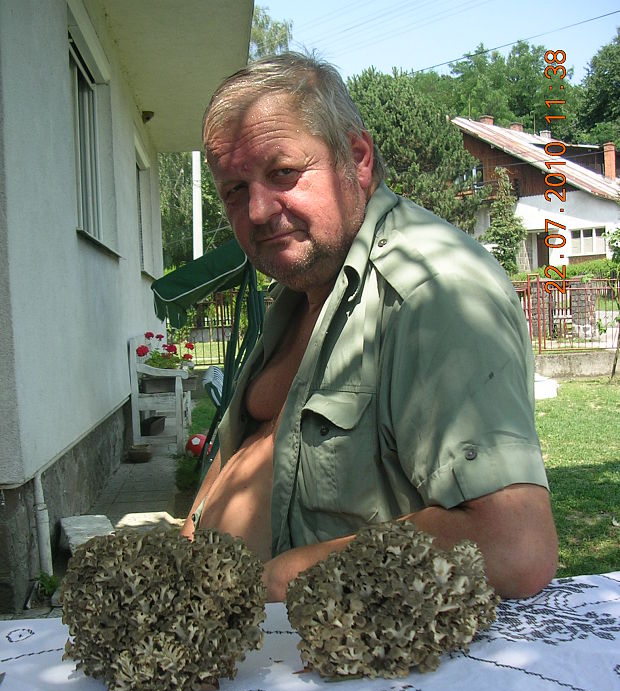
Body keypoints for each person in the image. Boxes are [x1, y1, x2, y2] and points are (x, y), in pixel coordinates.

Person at [182, 52, 558, 603]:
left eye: (283, 172)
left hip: (353, 674)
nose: (258, 211)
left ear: (357, 158)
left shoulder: (435, 292)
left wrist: (277, 580)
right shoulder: (301, 285)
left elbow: (513, 544)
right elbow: (250, 444)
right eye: (234, 190)